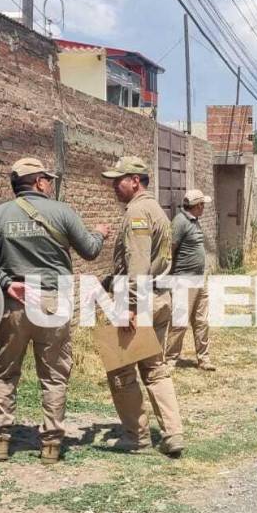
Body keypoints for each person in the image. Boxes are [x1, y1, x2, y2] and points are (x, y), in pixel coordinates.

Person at [0, 157, 109, 464]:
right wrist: (100, 232)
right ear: (38, 182)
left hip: (15, 302)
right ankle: (50, 445)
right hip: (54, 300)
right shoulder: (62, 212)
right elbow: (90, 250)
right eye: (47, 179)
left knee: (5, 372)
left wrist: (6, 282)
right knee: (54, 375)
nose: (49, 184)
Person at [101, 156, 186, 457]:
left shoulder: (137, 211)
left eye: (118, 180)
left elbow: (137, 263)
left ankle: (137, 438)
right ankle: (173, 433)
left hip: (141, 301)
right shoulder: (156, 210)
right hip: (160, 296)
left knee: (121, 371)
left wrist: (130, 307)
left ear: (135, 180)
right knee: (155, 369)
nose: (114, 186)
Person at [164, 189, 215, 371]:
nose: (204, 208)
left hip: (200, 278)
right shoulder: (180, 222)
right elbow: (170, 249)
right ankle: (170, 360)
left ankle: (204, 359)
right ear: (197, 205)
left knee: (202, 321)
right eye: (203, 205)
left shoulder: (195, 221)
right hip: (184, 279)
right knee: (179, 322)